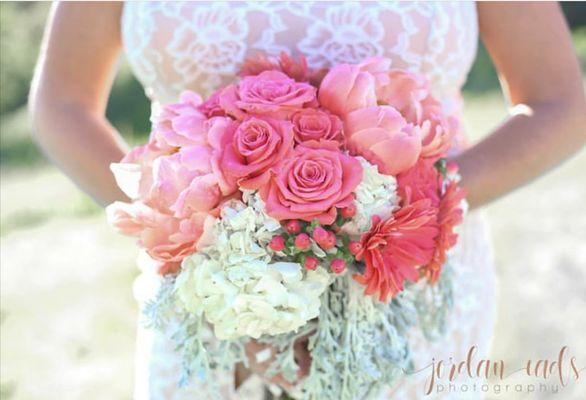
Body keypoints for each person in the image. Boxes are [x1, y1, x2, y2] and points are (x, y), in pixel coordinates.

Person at [29, 2, 585, 399]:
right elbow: (62, 103)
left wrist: (395, 214)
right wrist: (184, 231)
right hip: (211, 297)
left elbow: (559, 101)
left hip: (406, 293)